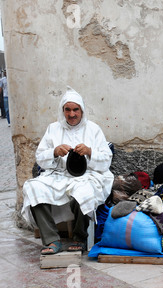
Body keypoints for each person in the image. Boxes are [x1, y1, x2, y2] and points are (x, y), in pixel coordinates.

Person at [21, 86, 114, 254]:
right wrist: (54, 152)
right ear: (63, 110)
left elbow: (106, 159)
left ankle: (79, 238)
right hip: (58, 175)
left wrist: (89, 151)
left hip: (87, 175)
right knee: (33, 188)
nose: (72, 114)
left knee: (83, 191)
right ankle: (51, 240)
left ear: (82, 110)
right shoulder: (53, 129)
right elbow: (40, 157)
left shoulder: (93, 129)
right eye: (68, 110)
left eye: (76, 110)